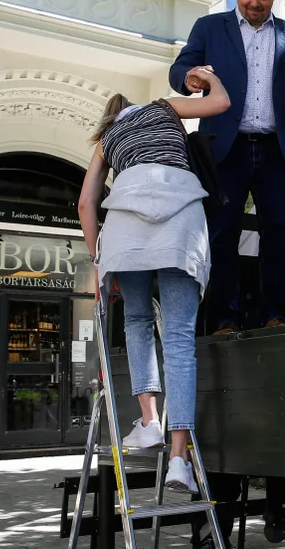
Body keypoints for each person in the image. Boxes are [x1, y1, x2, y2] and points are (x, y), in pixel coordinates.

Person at [77, 69, 231, 494]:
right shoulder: (163, 108)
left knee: (138, 321)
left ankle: (148, 421)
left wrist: (97, 259)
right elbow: (220, 104)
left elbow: (86, 203)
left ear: (110, 117)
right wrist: (208, 77)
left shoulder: (107, 139)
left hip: (126, 222)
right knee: (180, 340)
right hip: (180, 213)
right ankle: (179, 460)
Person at [169, 0, 285, 333]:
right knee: (222, 233)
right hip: (226, 149)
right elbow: (179, 71)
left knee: (280, 232)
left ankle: (273, 313)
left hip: (275, 150)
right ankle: (225, 317)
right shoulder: (209, 27)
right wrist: (191, 77)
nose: (255, 3)